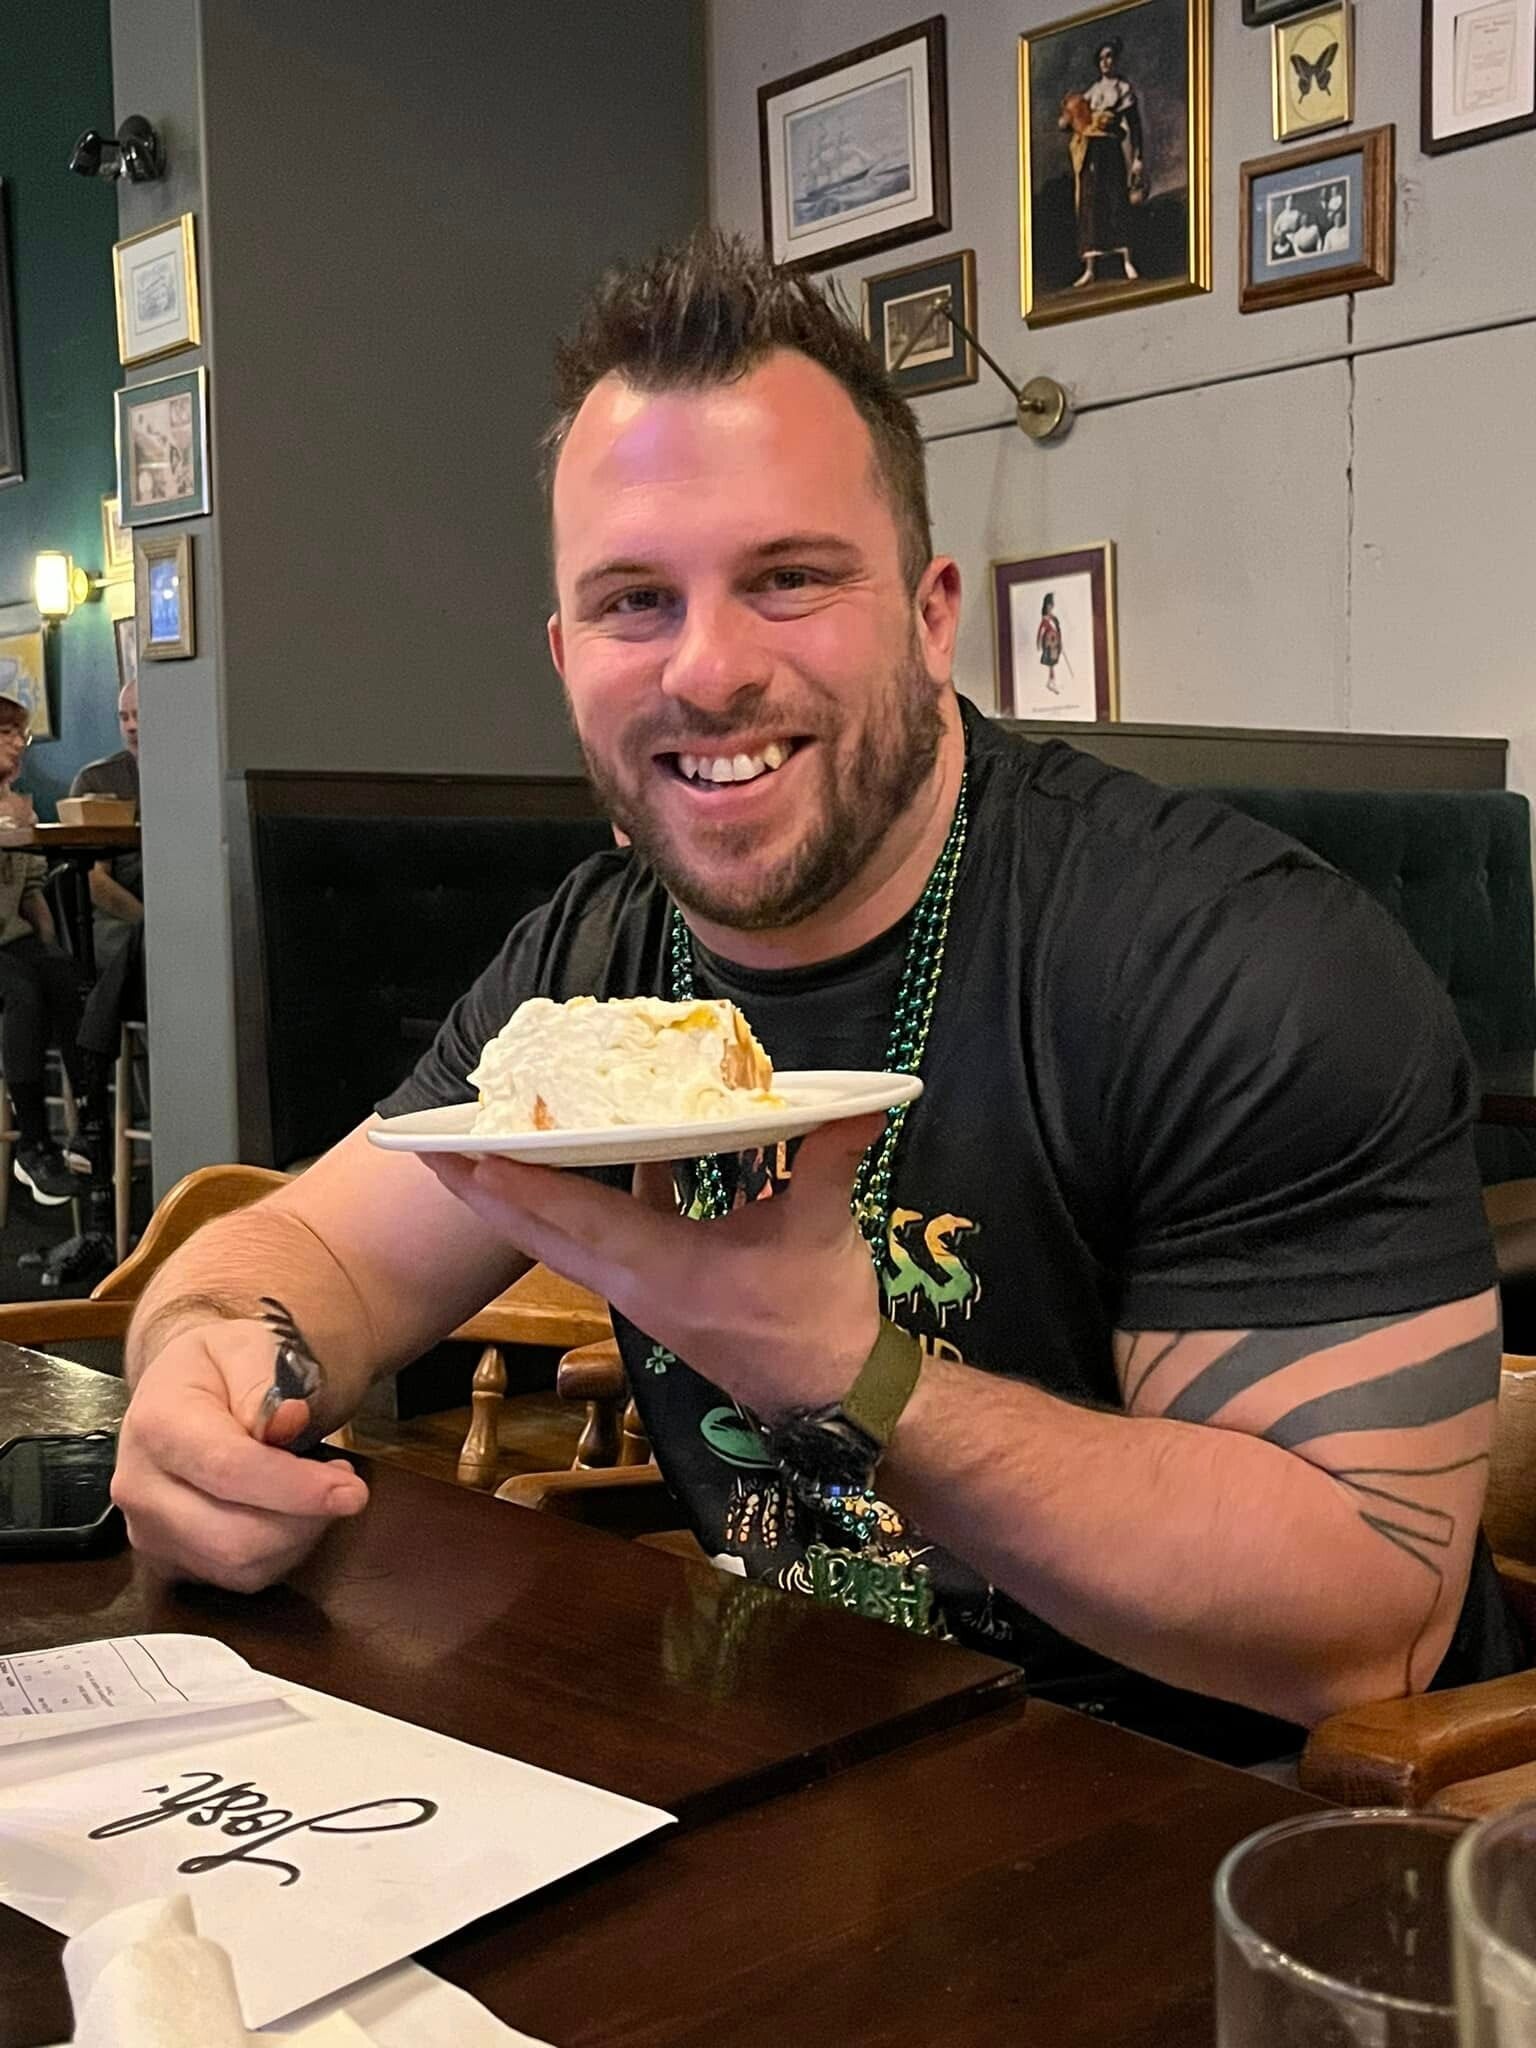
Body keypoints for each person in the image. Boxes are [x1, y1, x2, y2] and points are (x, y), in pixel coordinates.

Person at [111, 232, 1517, 1764]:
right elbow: (312, 1249)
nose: (707, 670)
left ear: (930, 614)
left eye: (788, 579)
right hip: (820, 1771)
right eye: (634, 601)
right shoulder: (593, 969)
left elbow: (1364, 1620)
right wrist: (201, 1365)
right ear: (566, 656)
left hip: (1227, 1822)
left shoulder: (1233, 964)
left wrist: (847, 1374)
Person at [0, 689, 93, 1203]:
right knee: (22, 990)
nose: (18, 744)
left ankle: (89, 1125)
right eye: (5, 734)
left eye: (21, 735)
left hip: (12, 940)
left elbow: (32, 888)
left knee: (63, 976)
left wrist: (50, 946)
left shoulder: (20, 803)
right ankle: (33, 1142)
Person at [70, 678, 143, 972]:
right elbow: (95, 879)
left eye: (139, 715)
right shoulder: (97, 780)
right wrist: (148, 920)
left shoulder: (196, 774)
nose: (131, 726)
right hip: (120, 912)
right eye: (124, 717)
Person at [1061, 39, 1144, 289]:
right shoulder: (1091, 92)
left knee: (1116, 199)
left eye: (1109, 57)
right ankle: (1090, 268)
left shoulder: (1122, 88)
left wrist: (1138, 158)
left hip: (1110, 150)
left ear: (1115, 59)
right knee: (1090, 203)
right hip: (1090, 151)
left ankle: (1127, 261)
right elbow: (1077, 120)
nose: (1105, 62)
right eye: (1101, 58)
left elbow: (1135, 126)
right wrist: (1068, 120)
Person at [1036, 592, 1063, 694]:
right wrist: (1038, 642)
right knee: (1051, 663)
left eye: (1051, 605)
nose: (1050, 607)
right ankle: (1052, 681)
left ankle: (1051, 680)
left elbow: (1058, 630)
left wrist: (1060, 641)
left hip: (1055, 642)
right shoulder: (1045, 619)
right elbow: (1040, 631)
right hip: (1048, 643)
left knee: (1053, 662)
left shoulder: (1054, 618)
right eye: (1048, 605)